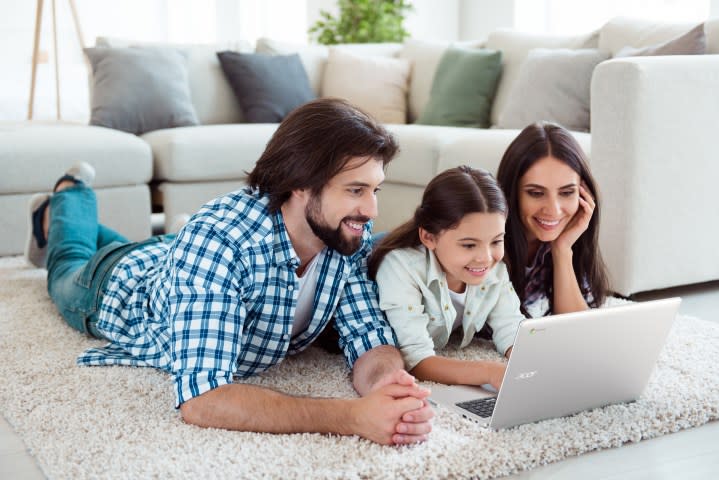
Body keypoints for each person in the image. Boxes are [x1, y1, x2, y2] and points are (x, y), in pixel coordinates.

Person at [25, 98, 433, 446]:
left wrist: (387, 386)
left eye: (374, 190)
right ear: (300, 184)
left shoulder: (343, 236)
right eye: (355, 190)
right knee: (71, 259)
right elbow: (203, 399)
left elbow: (367, 336)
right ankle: (65, 199)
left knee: (148, 246)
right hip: (113, 287)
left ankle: (82, 218)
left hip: (180, 258)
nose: (372, 211)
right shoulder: (218, 241)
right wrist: (352, 418)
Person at [367, 166, 524, 391]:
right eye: (469, 245)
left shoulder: (493, 267)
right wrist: (488, 371)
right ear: (429, 237)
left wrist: (537, 361)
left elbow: (511, 327)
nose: (486, 257)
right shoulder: (401, 267)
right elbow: (416, 359)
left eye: (496, 241)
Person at [496, 122, 609, 317]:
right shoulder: (489, 241)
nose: (554, 210)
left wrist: (562, 250)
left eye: (566, 192)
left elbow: (576, 327)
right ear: (512, 193)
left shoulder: (564, 237)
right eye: (536, 193)